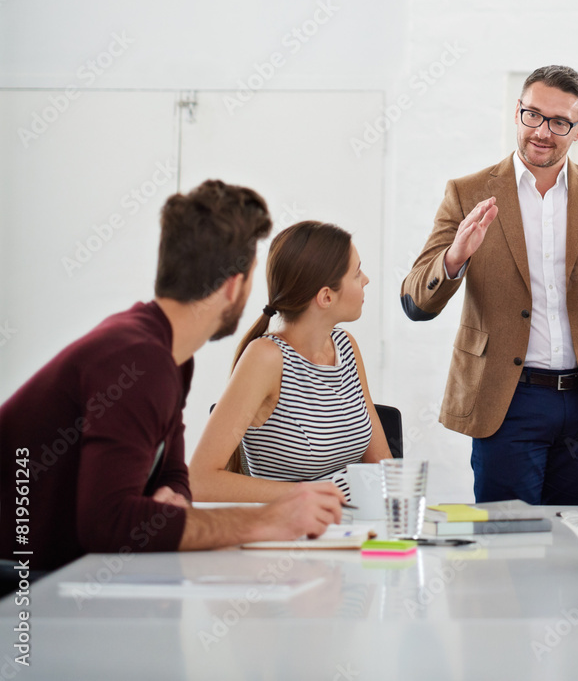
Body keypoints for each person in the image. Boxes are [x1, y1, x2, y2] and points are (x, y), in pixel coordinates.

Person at [0, 180, 345, 575]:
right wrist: (265, 520)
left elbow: (175, 476)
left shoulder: (168, 355)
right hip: (19, 587)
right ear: (234, 287)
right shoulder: (139, 360)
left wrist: (171, 503)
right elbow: (107, 523)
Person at [401, 65, 578, 505]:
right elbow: (415, 301)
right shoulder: (467, 193)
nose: (542, 131)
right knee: (506, 544)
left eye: (560, 122)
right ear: (517, 112)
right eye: (533, 115)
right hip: (506, 399)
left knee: (574, 547)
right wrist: (455, 257)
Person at [190, 221, 391, 501]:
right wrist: (312, 495)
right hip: (289, 534)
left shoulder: (345, 346)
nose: (366, 279)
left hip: (350, 529)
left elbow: (382, 466)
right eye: (357, 273)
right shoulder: (266, 358)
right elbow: (200, 481)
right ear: (326, 296)